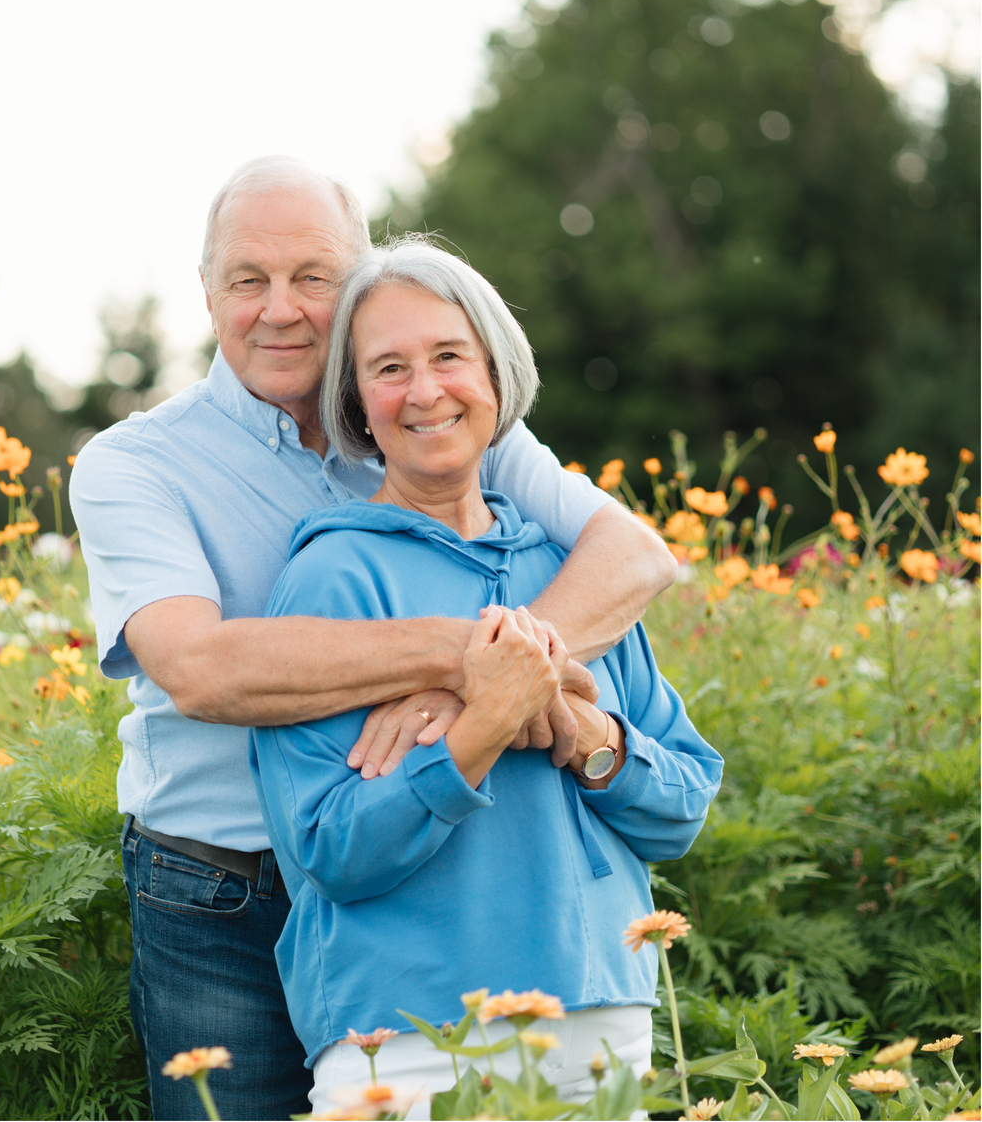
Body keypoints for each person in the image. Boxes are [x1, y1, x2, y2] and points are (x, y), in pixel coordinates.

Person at [69, 157, 678, 1121]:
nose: (281, 309)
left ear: (353, 283)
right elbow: (200, 671)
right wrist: (473, 668)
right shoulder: (135, 465)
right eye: (247, 280)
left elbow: (636, 557)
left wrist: (497, 684)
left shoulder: (429, 415)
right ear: (206, 291)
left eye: (313, 277)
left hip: (424, 876)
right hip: (217, 889)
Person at [249, 238, 722, 1118]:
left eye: (448, 357)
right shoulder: (330, 580)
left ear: (497, 374)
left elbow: (684, 805)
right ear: (356, 403)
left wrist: (589, 741)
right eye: (389, 368)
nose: (425, 391)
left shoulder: (567, 569)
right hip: (412, 1046)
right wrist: (483, 726)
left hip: (604, 1030)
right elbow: (330, 850)